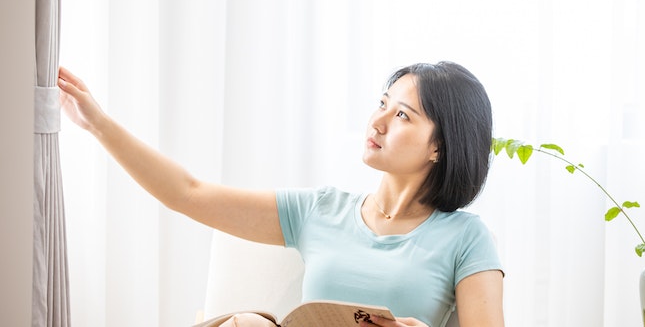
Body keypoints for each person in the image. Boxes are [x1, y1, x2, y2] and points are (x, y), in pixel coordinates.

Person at [58, 61, 505, 327]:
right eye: (382, 102)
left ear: (439, 146)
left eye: (403, 114)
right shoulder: (318, 211)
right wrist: (97, 123)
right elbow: (186, 193)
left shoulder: (466, 238)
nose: (378, 121)